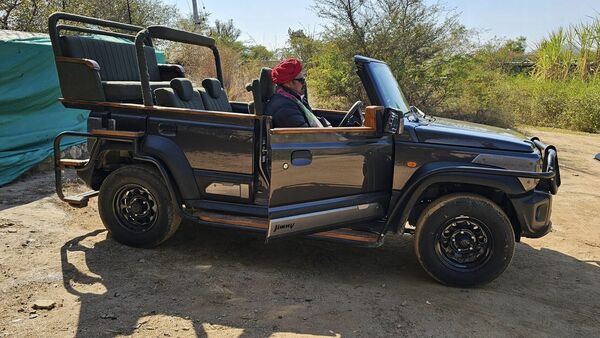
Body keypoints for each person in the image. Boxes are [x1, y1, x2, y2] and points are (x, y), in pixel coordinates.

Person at [264, 58, 329, 128]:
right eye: (301, 80)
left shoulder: (294, 99)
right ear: (288, 83)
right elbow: (306, 135)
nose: (304, 84)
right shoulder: (285, 108)